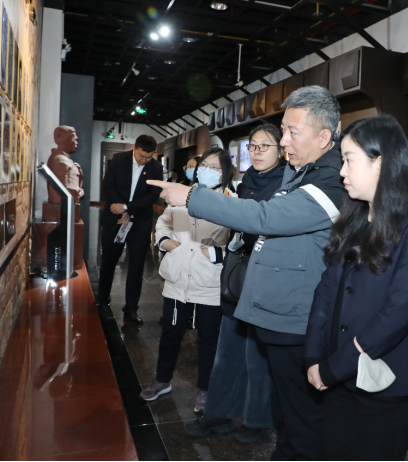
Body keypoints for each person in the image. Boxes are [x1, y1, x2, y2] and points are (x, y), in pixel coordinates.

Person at [148, 85, 343, 461]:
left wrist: (191, 196)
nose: (284, 142)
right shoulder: (304, 172)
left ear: (323, 137)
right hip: (275, 308)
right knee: (286, 414)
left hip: (297, 316)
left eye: (291, 132)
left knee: (300, 418)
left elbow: (267, 217)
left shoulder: (328, 180)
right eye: (282, 132)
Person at [305, 115, 408, 460]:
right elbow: (325, 292)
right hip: (336, 378)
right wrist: (314, 357)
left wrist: (335, 367)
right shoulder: (351, 220)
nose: (342, 171)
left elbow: (397, 314)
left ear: (379, 162)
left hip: (382, 384)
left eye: (349, 160)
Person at [185, 124, 285, 443]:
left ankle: (258, 420)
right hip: (237, 275)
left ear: (281, 149)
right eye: (252, 146)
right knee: (227, 351)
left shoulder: (286, 185)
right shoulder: (246, 183)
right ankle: (219, 414)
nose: (256, 151)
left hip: (264, 278)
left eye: (264, 146)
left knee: (257, 356)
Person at [140, 147, 235, 413]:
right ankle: (162, 379)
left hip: (208, 282)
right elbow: (164, 222)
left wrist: (215, 253)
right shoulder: (181, 195)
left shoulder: (230, 200)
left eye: (215, 168)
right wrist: (165, 242)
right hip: (177, 279)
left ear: (225, 173)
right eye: (205, 165)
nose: (207, 171)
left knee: (208, 339)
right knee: (171, 333)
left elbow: (240, 241)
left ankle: (205, 388)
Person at [97, 134, 163, 325]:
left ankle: (131, 309)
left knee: (136, 266)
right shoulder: (119, 160)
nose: (144, 161)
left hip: (140, 222)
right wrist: (120, 208)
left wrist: (127, 208)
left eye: (149, 157)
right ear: (135, 147)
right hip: (115, 219)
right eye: (142, 156)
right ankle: (103, 301)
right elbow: (108, 186)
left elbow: (153, 196)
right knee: (109, 260)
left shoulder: (156, 168)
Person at [46, 126, 84, 203]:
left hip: (66, 205)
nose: (76, 141)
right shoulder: (61, 161)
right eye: (74, 139)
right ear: (64, 139)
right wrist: (80, 193)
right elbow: (67, 192)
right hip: (62, 205)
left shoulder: (63, 159)